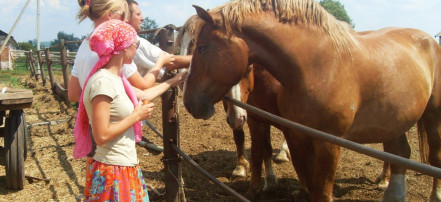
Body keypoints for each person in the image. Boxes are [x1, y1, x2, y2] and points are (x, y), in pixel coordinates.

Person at [74, 19, 185, 201]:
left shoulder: (116, 79)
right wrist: (136, 116)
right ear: (124, 47)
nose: (137, 48)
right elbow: (101, 136)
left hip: (124, 166)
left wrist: (173, 81)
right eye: (135, 44)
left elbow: (143, 93)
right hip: (112, 170)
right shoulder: (103, 83)